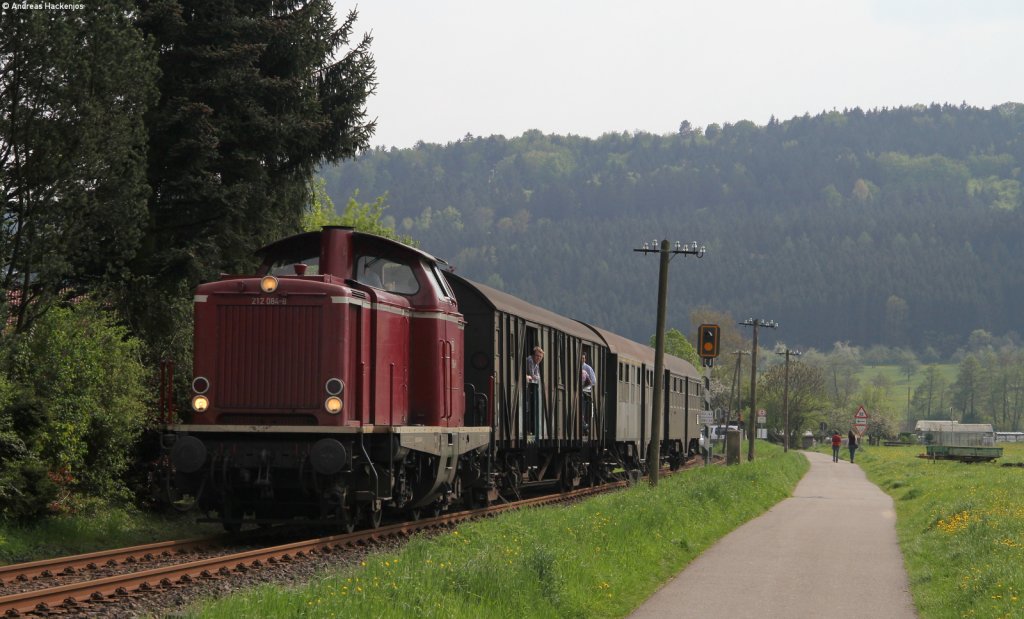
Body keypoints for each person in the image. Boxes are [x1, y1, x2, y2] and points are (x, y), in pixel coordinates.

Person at [525, 346, 543, 439]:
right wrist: (533, 377)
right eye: (537, 356)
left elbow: (537, 376)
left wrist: (534, 377)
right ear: (533, 355)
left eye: (540, 357)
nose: (538, 358)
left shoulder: (536, 363)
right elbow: (533, 375)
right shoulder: (530, 361)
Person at [580, 352, 596, 434]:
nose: (582, 359)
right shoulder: (577, 366)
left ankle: (584, 425)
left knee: (583, 410)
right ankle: (584, 425)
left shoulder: (588, 368)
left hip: (585, 392)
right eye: (581, 358)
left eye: (583, 358)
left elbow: (593, 381)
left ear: (585, 359)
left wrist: (585, 386)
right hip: (579, 391)